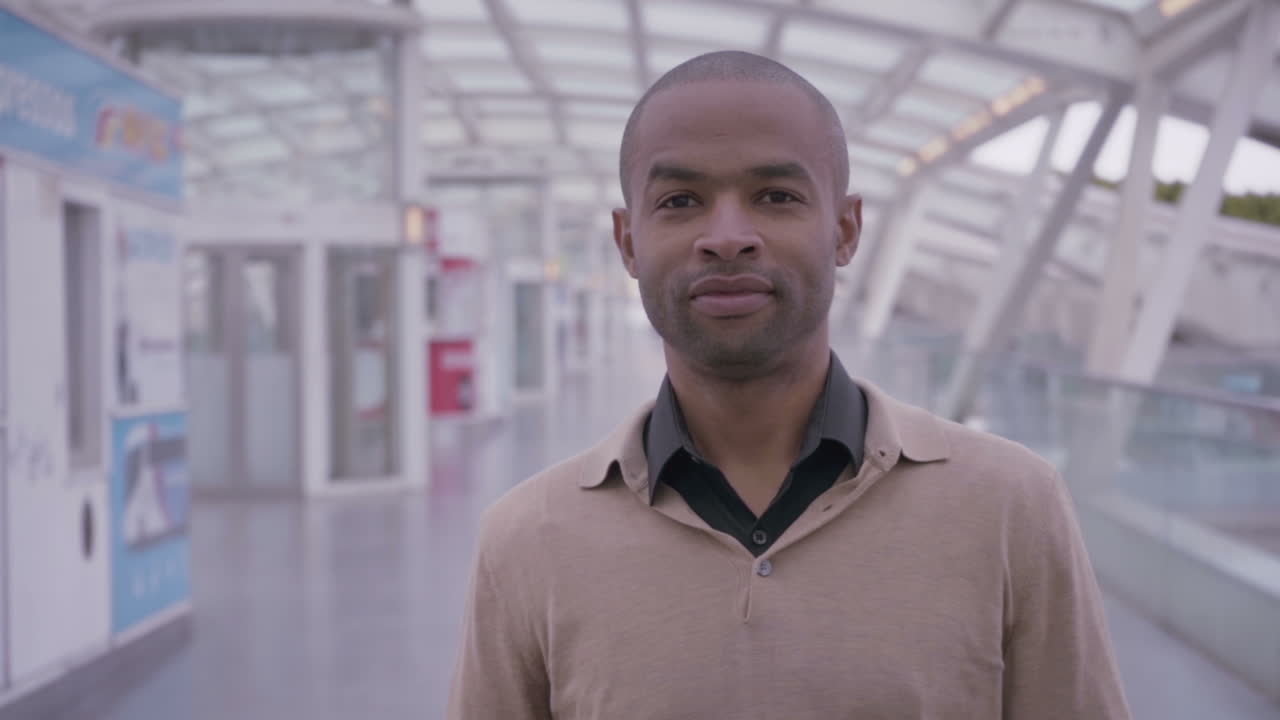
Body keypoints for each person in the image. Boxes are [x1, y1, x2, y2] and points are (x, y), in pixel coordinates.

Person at [447, 50, 1131, 719]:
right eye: (680, 200)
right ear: (628, 243)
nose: (727, 237)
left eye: (775, 196)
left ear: (845, 229)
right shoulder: (528, 538)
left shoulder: (1011, 507)